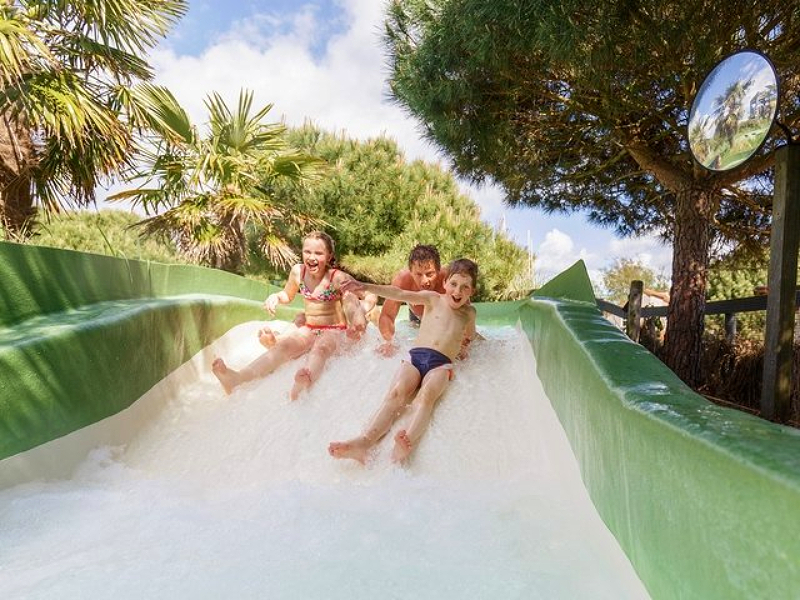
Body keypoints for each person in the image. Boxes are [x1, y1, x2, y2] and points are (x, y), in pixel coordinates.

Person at [328, 258, 478, 464]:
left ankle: (406, 441)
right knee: (396, 393)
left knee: (426, 396)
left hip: (441, 364)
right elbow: (399, 293)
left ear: (472, 291)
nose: (457, 291)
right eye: (453, 284)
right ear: (445, 283)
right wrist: (364, 286)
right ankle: (364, 442)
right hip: (415, 357)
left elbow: (470, 335)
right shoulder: (432, 298)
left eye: (465, 287)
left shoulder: (469, 313)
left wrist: (465, 348)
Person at [212, 231, 366, 400]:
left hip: (334, 329)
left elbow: (364, 294)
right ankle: (238, 378)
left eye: (319, 253)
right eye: (307, 251)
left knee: (321, 349)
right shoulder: (298, 272)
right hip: (310, 328)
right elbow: (288, 295)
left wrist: (359, 317)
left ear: (329, 256)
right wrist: (276, 297)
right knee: (282, 347)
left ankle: (306, 377)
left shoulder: (337, 277)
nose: (312, 257)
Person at [376, 244, 449, 355]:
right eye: (418, 274)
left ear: (438, 270)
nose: (425, 281)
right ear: (411, 272)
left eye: (429, 274)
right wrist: (388, 342)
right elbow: (387, 315)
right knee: (415, 328)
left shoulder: (449, 280)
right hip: (416, 314)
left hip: (442, 318)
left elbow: (465, 315)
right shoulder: (402, 280)